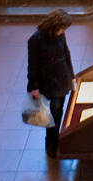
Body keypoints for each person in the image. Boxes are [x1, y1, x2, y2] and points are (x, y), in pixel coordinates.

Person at [27, 9, 77, 157]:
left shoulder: (60, 35)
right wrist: (34, 87)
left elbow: (66, 54)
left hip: (61, 78)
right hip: (48, 82)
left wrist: (71, 75)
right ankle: (51, 144)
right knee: (52, 115)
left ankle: (56, 139)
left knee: (58, 111)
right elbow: (32, 65)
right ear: (54, 25)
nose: (63, 32)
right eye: (62, 28)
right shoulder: (35, 40)